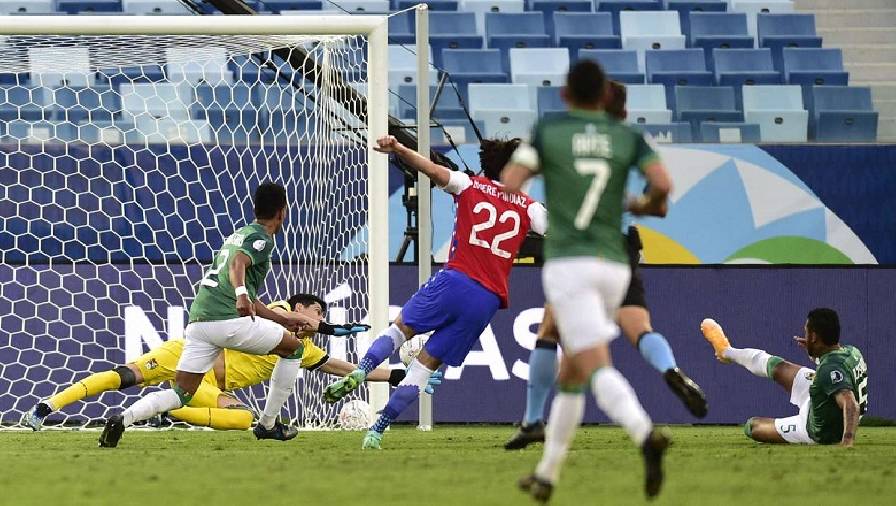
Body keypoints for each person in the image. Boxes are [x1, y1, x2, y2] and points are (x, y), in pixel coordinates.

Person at [501, 61, 673, 502]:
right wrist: (638, 204)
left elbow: (511, 181)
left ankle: (645, 433)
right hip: (615, 265)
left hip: (569, 263)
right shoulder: (626, 137)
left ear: (565, 95)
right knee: (573, 374)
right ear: (604, 97)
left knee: (594, 364)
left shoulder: (550, 131)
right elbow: (663, 187)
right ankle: (546, 476)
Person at [322, 136, 547, 449]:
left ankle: (361, 371)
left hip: (455, 280)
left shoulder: (469, 185)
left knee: (399, 330)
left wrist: (399, 149)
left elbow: (430, 168)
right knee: (425, 367)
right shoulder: (530, 207)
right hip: (486, 300)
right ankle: (377, 429)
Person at [97, 182, 359, 447]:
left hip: (199, 323)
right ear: (283, 212)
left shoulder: (238, 234)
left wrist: (282, 319)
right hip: (227, 321)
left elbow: (245, 291)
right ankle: (268, 424)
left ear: (255, 208)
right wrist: (242, 294)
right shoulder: (262, 238)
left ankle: (123, 418)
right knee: (293, 349)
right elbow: (238, 265)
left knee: (182, 393)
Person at [23, 294, 432, 431]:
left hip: (207, 384)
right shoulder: (274, 312)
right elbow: (276, 316)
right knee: (122, 375)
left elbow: (346, 369)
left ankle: (165, 413)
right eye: (316, 313)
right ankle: (47, 407)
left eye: (322, 317)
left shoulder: (302, 349)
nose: (319, 321)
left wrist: (399, 373)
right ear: (300, 308)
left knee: (245, 420)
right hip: (187, 354)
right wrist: (311, 324)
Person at [701, 308, 866, 446]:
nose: (805, 335)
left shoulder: (830, 369)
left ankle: (727, 352)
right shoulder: (852, 351)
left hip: (816, 429)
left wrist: (847, 440)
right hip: (822, 399)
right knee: (777, 366)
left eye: (807, 332)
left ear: (814, 337)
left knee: (752, 426)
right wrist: (815, 350)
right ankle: (726, 351)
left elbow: (850, 403)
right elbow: (836, 370)